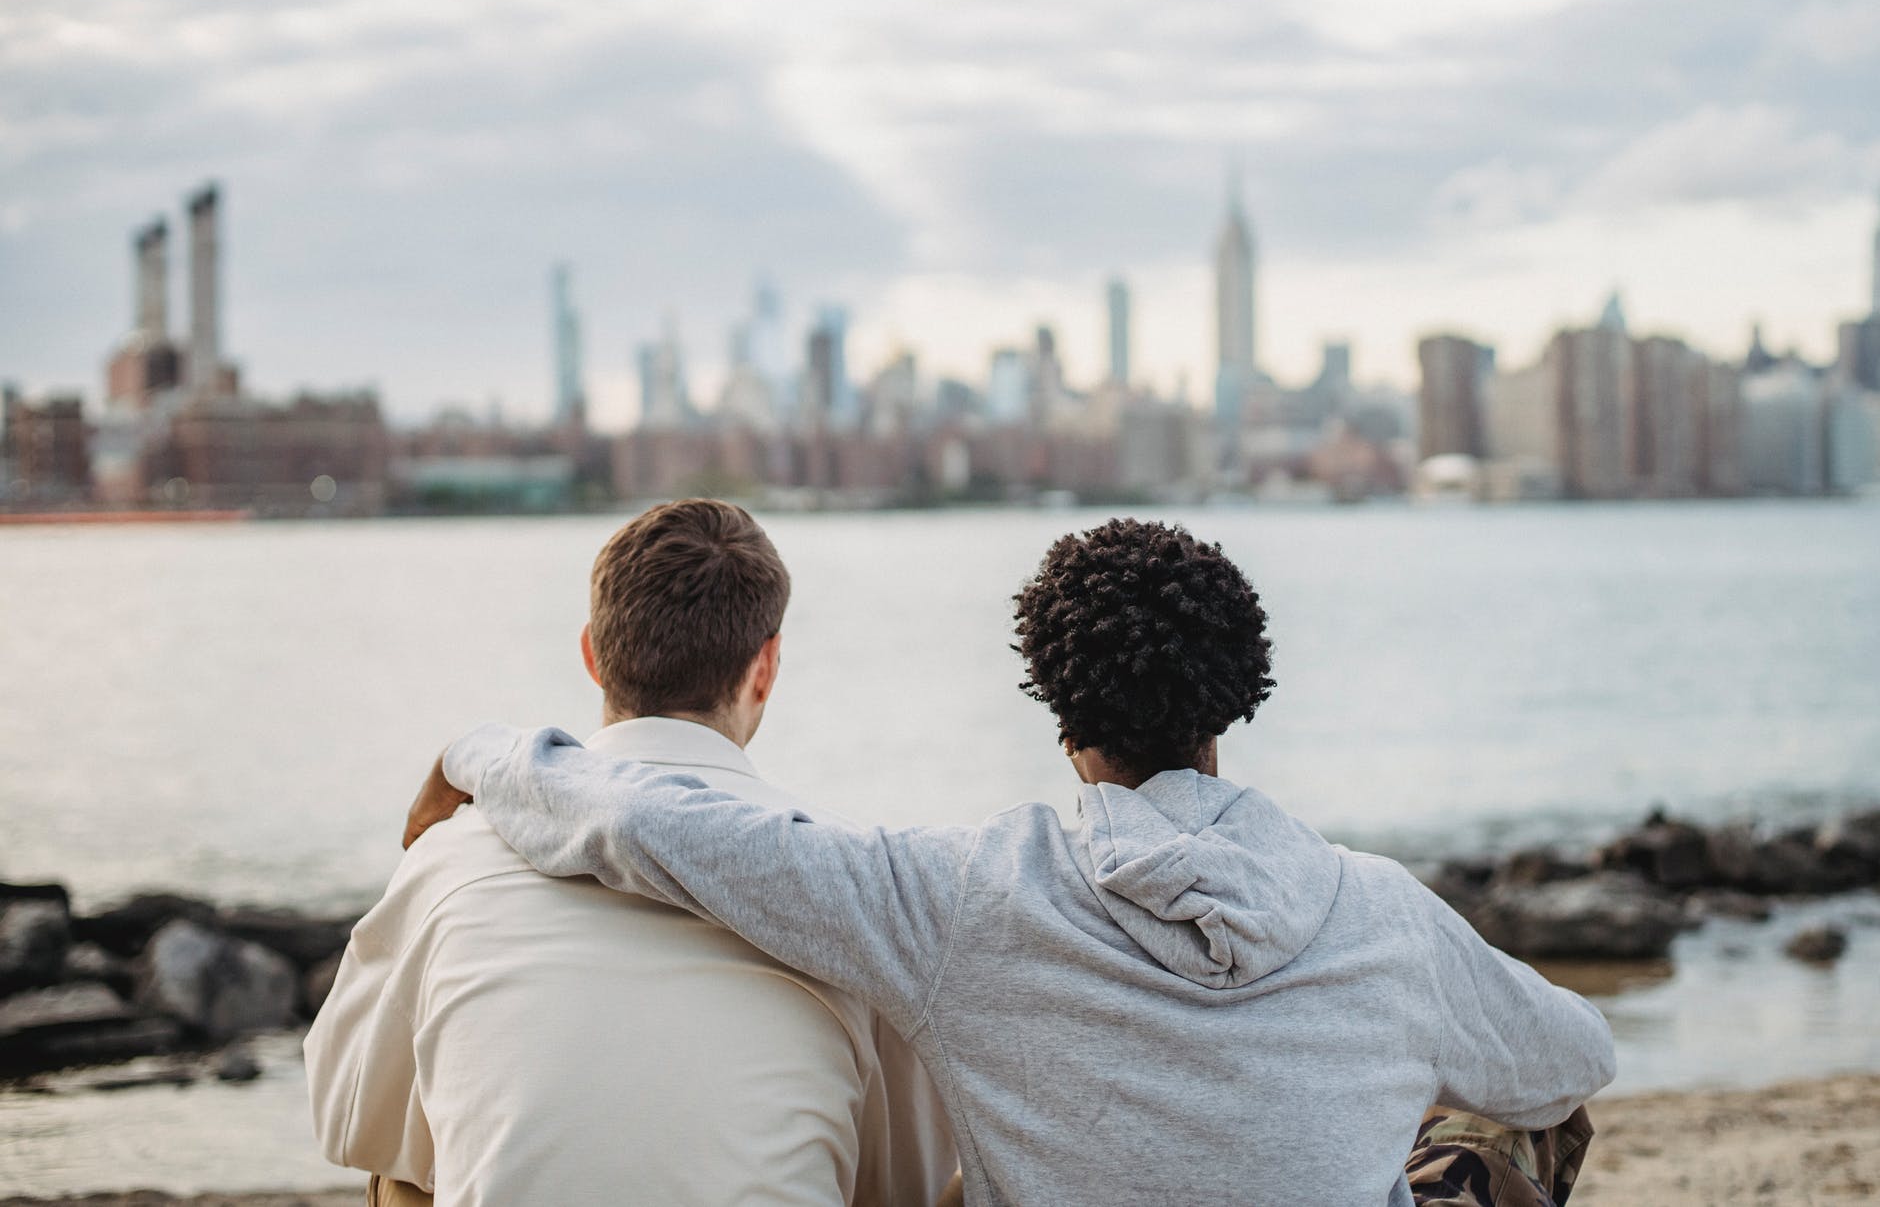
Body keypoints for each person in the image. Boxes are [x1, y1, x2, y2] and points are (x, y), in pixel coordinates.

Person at [410, 517, 1615, 1206]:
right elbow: (1572, 1060)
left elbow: (658, 826)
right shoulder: (1380, 912)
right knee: (1513, 1127)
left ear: (1055, 704)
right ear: (1233, 699)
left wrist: (483, 754)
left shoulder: (953, 896)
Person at [306, 499, 957, 1206]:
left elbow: (342, 1113)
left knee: (400, 1169)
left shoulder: (454, 858)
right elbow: (902, 1187)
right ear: (764, 667)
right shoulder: (853, 890)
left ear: (592, 653)